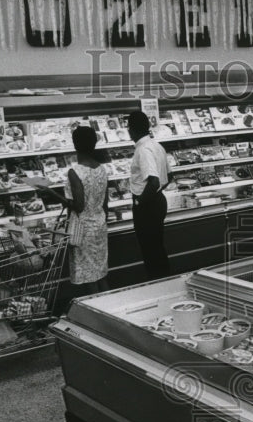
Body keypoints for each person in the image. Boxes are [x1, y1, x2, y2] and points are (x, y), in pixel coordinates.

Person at [32, 125, 109, 296]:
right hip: (99, 224)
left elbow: (78, 206)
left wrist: (52, 193)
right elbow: (105, 202)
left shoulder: (75, 172)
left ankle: (97, 311)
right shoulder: (102, 169)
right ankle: (109, 306)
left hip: (83, 230)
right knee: (100, 272)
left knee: (89, 276)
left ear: (74, 145)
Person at [128, 110, 171, 280]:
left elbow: (153, 181)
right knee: (157, 247)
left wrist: (139, 202)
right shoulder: (156, 145)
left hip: (147, 205)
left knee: (149, 250)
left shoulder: (143, 150)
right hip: (158, 201)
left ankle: (157, 282)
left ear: (130, 129)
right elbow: (168, 177)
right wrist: (157, 192)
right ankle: (164, 280)